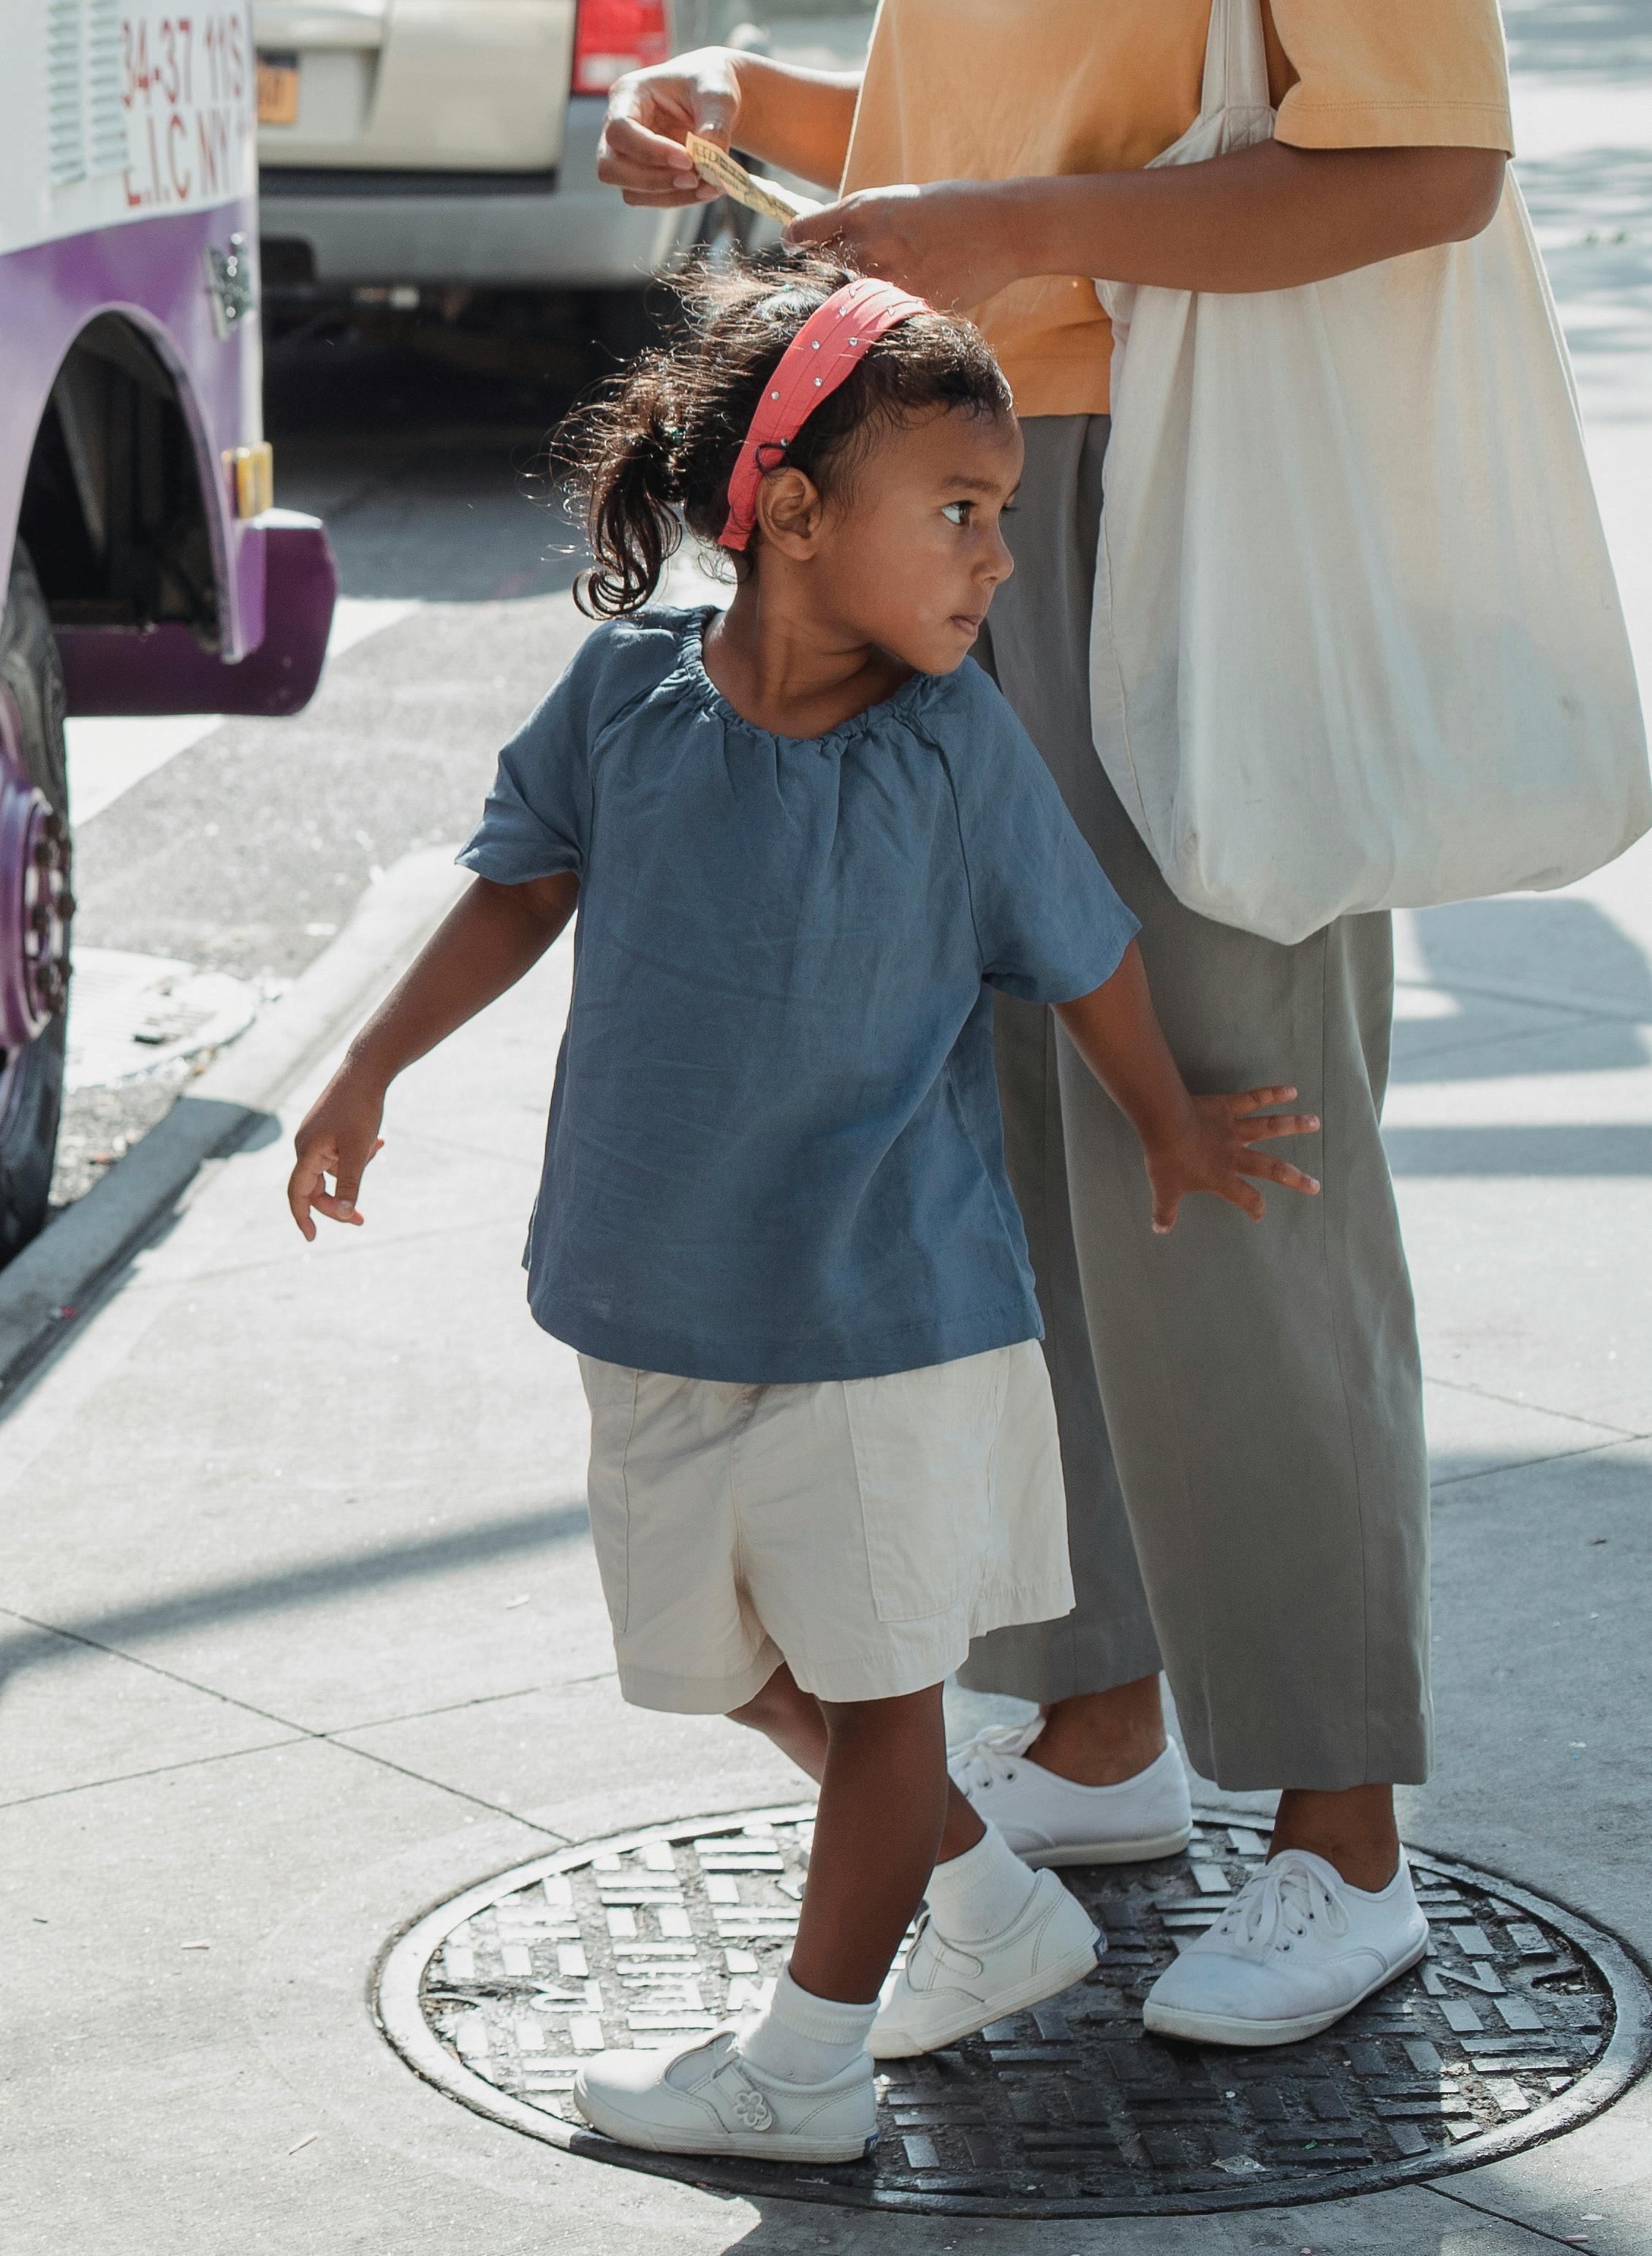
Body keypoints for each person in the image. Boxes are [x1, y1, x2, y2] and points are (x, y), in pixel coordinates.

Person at [285, 257, 1319, 2162]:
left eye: (999, 519)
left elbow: (1079, 951)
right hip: (646, 1297)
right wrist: (366, 1069)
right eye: (957, 513)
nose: (993, 560)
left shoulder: (952, 745)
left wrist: (1166, 1123)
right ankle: (987, 1909)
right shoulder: (620, 698)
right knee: (723, 1663)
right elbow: (519, 884)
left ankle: (806, 2064)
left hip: (884, 1311)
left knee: (881, 1691)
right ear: (786, 514)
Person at [596, 0, 1513, 2047]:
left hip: (1190, 484)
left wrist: (1000, 223)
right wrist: (752, 107)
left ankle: (1340, 1830)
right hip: (969, 457)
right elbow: (1015, 115)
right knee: (1004, 1119)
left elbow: (1423, 163)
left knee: (1221, 1114)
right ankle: (1097, 1724)